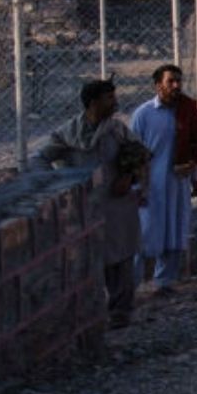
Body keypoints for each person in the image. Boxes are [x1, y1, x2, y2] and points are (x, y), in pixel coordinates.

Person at [41, 79, 146, 326]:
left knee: (121, 256)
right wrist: (55, 184)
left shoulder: (117, 130)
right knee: (88, 258)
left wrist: (128, 176)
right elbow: (41, 158)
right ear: (93, 102)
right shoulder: (68, 133)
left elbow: (139, 153)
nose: (115, 102)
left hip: (117, 203)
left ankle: (121, 310)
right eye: (109, 98)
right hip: (84, 206)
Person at [130, 64, 197, 294]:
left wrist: (195, 177)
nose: (176, 86)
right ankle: (131, 287)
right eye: (171, 81)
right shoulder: (143, 114)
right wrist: (136, 185)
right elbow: (132, 153)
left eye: (179, 81)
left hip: (178, 183)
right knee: (144, 235)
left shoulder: (187, 112)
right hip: (151, 185)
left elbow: (193, 147)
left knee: (175, 231)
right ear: (158, 85)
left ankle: (164, 281)